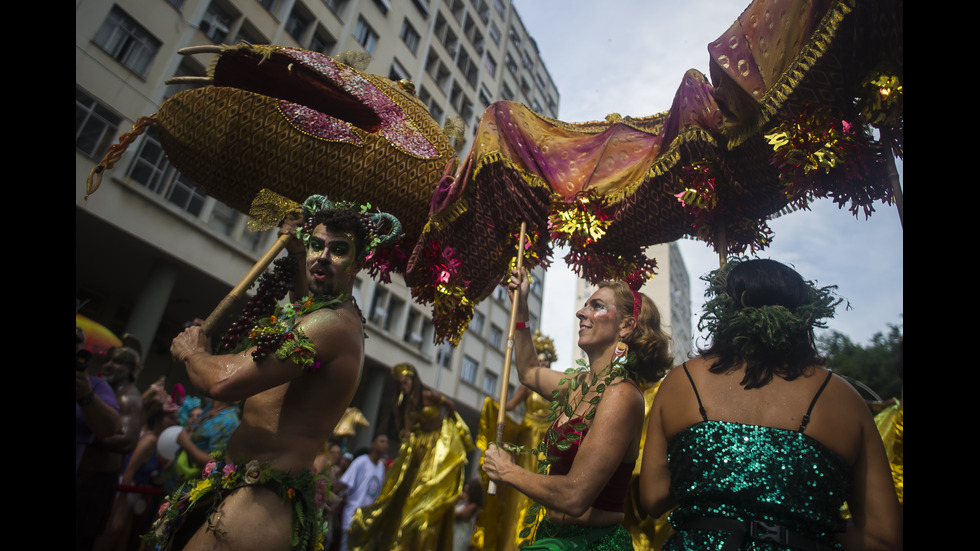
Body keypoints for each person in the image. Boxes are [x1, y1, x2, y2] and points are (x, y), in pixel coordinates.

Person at [149, 195, 401, 551]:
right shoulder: (316, 314)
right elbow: (300, 306)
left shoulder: (333, 325)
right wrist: (297, 253)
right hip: (239, 486)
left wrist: (193, 354)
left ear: (358, 264)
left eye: (338, 250)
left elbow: (224, 382)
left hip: (262, 502)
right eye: (316, 245)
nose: (323, 257)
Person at [639, 258, 903, 550]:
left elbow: (652, 498)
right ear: (805, 316)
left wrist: (716, 487)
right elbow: (884, 535)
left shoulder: (682, 381)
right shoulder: (844, 398)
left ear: (725, 312)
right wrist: (810, 530)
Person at [483, 269, 673, 550]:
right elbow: (529, 371)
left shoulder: (621, 395)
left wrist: (507, 471)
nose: (580, 313)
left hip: (591, 545)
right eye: (586, 304)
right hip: (551, 537)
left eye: (596, 306)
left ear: (626, 326)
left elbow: (574, 495)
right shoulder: (578, 384)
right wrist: (521, 307)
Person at [347, 363, 474, 551]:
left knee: (425, 490)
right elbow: (407, 428)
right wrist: (408, 438)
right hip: (419, 448)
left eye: (405, 382)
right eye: (401, 383)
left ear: (413, 380)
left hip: (436, 444)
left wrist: (451, 427)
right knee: (403, 488)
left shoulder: (429, 395)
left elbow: (450, 406)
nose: (403, 386)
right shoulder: (407, 402)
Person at [473, 330, 557, 551]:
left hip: (548, 441)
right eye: (539, 358)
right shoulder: (529, 384)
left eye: (546, 359)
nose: (543, 362)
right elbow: (509, 406)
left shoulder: (555, 384)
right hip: (529, 438)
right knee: (520, 491)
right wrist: (495, 405)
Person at [77, 346, 144, 551]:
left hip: (96, 483)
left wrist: (88, 434)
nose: (108, 365)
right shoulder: (106, 391)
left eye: (117, 362)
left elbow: (127, 440)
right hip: (84, 476)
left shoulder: (128, 397)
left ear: (131, 369)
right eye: (108, 360)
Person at [338, 434, 389, 551]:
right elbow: (344, 482)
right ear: (373, 444)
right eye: (381, 441)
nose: (385, 445)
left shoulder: (381, 467)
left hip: (366, 521)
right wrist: (328, 496)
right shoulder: (361, 462)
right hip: (352, 517)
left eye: (386, 442)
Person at [453, 477, 484, 551]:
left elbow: (458, 515)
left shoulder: (473, 507)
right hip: (455, 535)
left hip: (460, 538)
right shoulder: (465, 501)